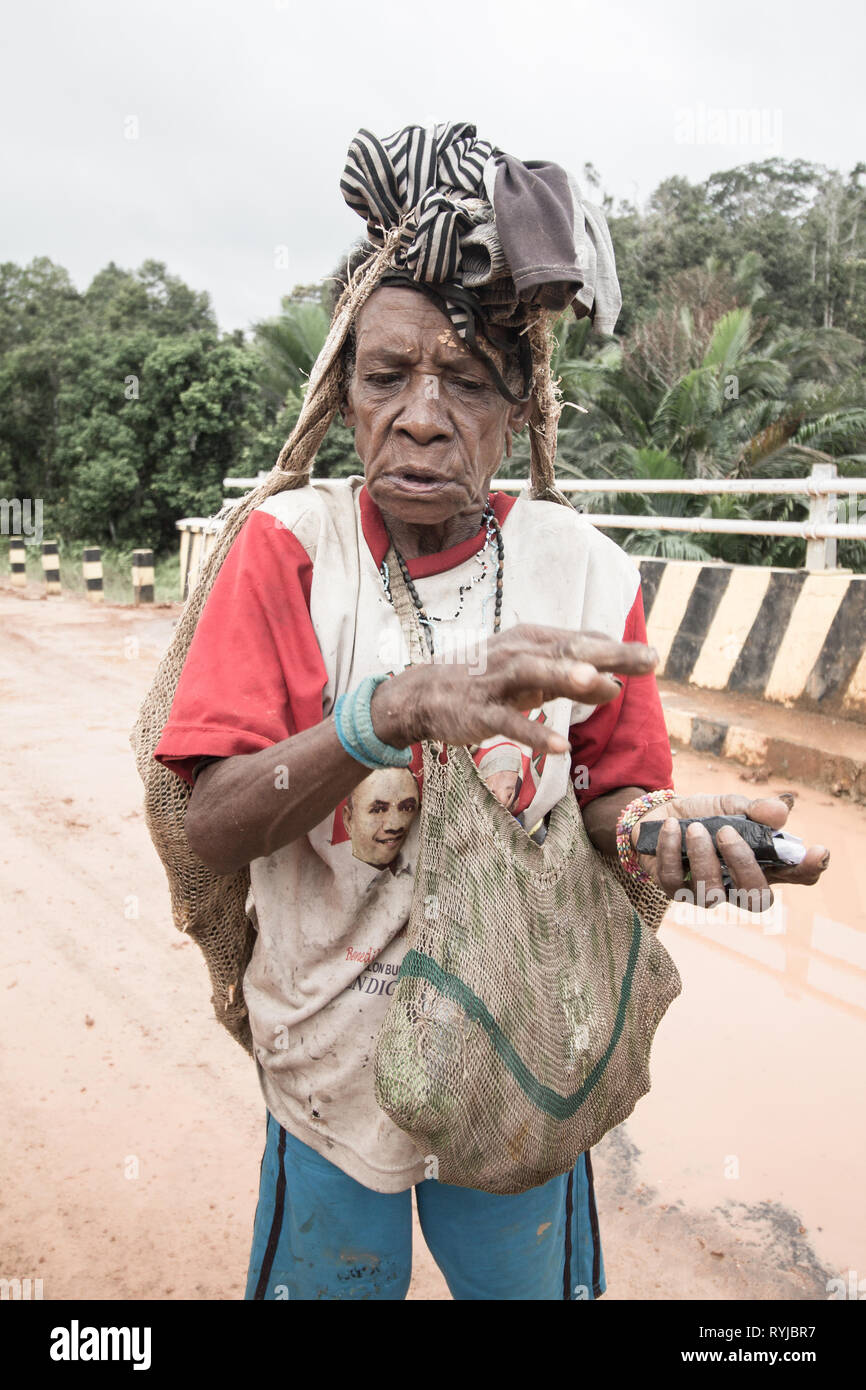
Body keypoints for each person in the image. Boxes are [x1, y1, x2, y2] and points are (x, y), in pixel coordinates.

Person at [152, 122, 830, 1301]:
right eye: (385, 375)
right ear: (345, 391)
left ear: (518, 409)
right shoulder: (288, 550)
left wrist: (658, 831)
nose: (421, 414)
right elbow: (206, 824)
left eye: (464, 382)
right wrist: (390, 709)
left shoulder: (578, 567)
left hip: (517, 1061)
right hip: (328, 1070)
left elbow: (619, 791)